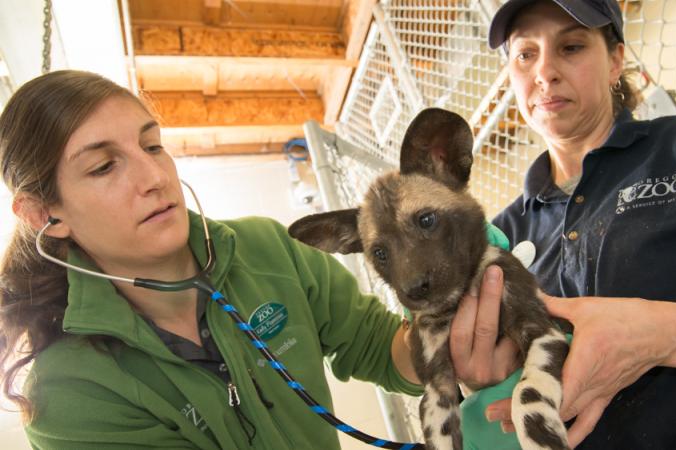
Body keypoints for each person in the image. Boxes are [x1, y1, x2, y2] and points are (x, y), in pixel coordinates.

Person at [0, 70, 429, 449]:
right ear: (44, 215)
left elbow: (380, 348)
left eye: (151, 146)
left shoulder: (268, 247)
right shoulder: (67, 394)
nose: (155, 178)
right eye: (103, 167)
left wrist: (445, 336)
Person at [449, 0, 676, 449]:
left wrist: (668, 335)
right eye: (525, 54)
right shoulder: (498, 238)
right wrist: (483, 386)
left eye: (571, 46)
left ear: (615, 61)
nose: (545, 71)